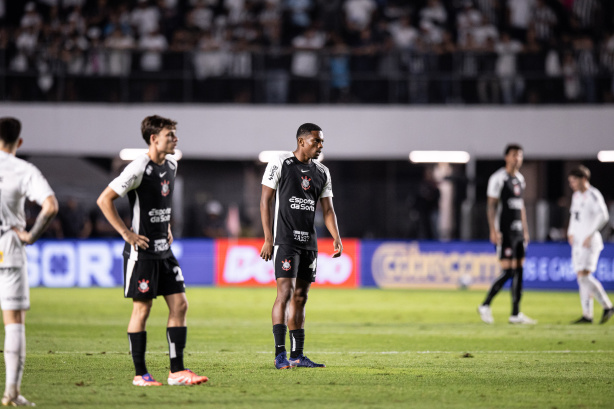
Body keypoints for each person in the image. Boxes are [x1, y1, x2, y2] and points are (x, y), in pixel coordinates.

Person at [96, 115, 208, 386]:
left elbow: (160, 201)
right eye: (170, 135)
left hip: (164, 250)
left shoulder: (171, 164)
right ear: (154, 138)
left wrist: (166, 225)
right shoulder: (138, 167)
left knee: (180, 304)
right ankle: (140, 375)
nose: (175, 139)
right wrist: (126, 233)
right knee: (142, 310)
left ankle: (177, 372)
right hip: (142, 252)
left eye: (174, 134)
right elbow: (104, 199)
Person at [260, 123, 343, 369]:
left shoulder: (322, 172)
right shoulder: (280, 162)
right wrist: (268, 238)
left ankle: (297, 355)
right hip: (285, 240)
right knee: (285, 293)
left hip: (309, 242)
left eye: (322, 141)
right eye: (316, 141)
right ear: (301, 141)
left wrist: (336, 237)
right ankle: (280, 354)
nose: (320, 145)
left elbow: (328, 210)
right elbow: (265, 200)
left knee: (301, 296)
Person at [0, 117, 58, 406]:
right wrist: (31, 236)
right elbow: (50, 206)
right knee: (14, 322)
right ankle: (11, 392)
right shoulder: (23, 169)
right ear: (19, 142)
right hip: (8, 247)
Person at [478, 144, 537, 325]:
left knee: (519, 270)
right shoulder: (498, 178)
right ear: (506, 157)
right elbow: (491, 205)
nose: (517, 158)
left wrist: (525, 230)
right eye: (514, 155)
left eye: (519, 155)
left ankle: (515, 313)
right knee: (509, 270)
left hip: (518, 232)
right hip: (504, 231)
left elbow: (521, 206)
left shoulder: (520, 179)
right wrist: (493, 230)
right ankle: (485, 305)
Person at [567, 166, 613, 324]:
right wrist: (570, 232)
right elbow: (574, 216)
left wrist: (590, 233)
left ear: (584, 179)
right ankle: (587, 315)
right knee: (581, 278)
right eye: (570, 181)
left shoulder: (593, 195)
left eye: (574, 181)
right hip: (578, 241)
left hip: (590, 242)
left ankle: (607, 305)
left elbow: (604, 215)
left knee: (584, 276)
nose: (572, 184)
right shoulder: (576, 196)